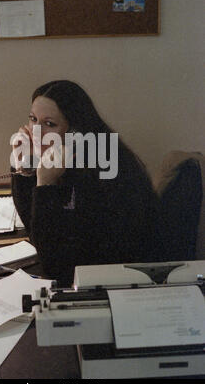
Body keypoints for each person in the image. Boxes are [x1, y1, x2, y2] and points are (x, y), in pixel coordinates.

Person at [11, 80, 168, 286]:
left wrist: (44, 185)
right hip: (86, 276)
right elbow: (35, 231)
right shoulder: (66, 162)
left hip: (115, 288)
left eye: (49, 124)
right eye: (33, 119)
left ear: (75, 131)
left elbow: (55, 264)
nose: (36, 132)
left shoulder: (99, 173)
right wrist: (24, 169)